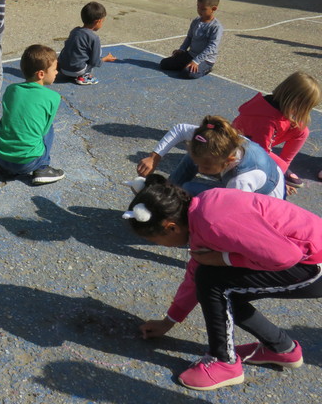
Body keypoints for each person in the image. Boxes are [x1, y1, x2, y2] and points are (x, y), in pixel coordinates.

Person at [125, 175, 322, 391]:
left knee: (213, 283)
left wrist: (224, 259)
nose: (160, 245)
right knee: (215, 285)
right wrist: (169, 320)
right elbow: (195, 273)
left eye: (155, 241)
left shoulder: (211, 221)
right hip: (303, 257)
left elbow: (286, 256)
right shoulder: (198, 213)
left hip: (312, 266)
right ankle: (282, 348)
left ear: (171, 227)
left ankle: (224, 363)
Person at [137, 115, 285, 198]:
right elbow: (180, 129)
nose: (200, 169)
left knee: (188, 188)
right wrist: (154, 157)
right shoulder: (217, 138)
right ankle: (166, 193)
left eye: (206, 167)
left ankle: (173, 201)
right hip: (253, 177)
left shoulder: (241, 181)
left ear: (229, 160)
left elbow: (235, 216)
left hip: (263, 203)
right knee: (193, 157)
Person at [0, 44, 65, 185]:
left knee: (12, 119)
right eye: (55, 69)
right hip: (28, 163)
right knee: (48, 127)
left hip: (1, 156)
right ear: (41, 74)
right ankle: (42, 167)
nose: (57, 72)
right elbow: (43, 131)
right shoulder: (53, 97)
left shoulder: (11, 89)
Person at [232, 72, 321, 188]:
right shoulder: (266, 122)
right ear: (296, 101)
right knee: (278, 166)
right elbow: (260, 154)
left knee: (302, 131)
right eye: (306, 107)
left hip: (257, 142)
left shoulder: (277, 104)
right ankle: (280, 170)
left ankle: (283, 166)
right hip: (243, 148)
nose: (306, 111)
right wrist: (277, 178)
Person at [159, 0, 222, 79]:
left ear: (213, 9)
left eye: (203, 9)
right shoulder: (196, 21)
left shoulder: (216, 27)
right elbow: (189, 37)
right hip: (191, 55)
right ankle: (186, 65)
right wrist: (182, 49)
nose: (199, 11)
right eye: (198, 7)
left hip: (205, 60)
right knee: (164, 63)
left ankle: (206, 69)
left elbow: (211, 47)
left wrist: (196, 61)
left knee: (187, 74)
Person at [57, 1, 117, 85]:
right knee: (97, 52)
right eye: (102, 21)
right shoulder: (94, 38)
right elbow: (95, 62)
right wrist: (105, 59)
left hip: (62, 68)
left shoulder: (74, 31)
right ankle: (83, 77)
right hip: (77, 71)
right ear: (98, 21)